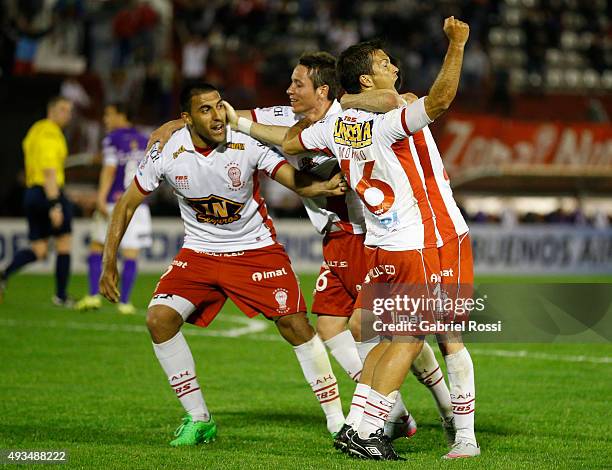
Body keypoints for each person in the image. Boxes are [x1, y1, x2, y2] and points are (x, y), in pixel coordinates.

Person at [149, 51, 453, 442]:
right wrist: (179, 121)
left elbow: (394, 100)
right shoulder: (282, 117)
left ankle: (433, 409)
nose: (289, 90)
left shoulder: (348, 117)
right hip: (334, 237)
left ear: (322, 90)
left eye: (298, 84)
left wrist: (355, 101)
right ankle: (393, 413)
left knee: (380, 327)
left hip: (369, 233)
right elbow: (221, 114)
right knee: (328, 324)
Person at [99, 82, 349, 447]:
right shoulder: (167, 151)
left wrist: (324, 187)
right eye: (205, 110)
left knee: (295, 325)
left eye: (219, 106)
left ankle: (337, 421)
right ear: (186, 119)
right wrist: (109, 263)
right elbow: (126, 203)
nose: (217, 116)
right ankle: (199, 419)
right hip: (199, 253)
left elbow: (293, 180)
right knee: (159, 319)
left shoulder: (245, 141)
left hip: (255, 250)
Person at [282, 17, 474, 460]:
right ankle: (381, 430)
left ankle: (356, 426)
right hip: (422, 242)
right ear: (367, 78)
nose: (395, 67)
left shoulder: (337, 127)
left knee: (385, 338)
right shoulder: (389, 123)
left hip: (384, 243)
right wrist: (458, 46)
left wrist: (245, 125)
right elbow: (441, 99)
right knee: (413, 340)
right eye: (386, 63)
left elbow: (293, 143)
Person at [76, 103, 152, 315]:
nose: (105, 119)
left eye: (108, 115)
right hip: (138, 204)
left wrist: (100, 197)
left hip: (113, 201)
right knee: (131, 252)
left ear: (121, 115)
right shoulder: (145, 140)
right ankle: (124, 302)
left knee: (97, 246)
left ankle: (93, 296)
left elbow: (109, 171)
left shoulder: (112, 139)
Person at [0, 96, 74, 306]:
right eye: (63, 109)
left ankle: (4, 273)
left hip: (31, 193)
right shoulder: (51, 134)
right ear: (51, 110)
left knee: (39, 250)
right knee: (64, 242)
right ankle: (60, 296)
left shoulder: (35, 130)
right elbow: (49, 172)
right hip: (47, 192)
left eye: (69, 111)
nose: (67, 114)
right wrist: (55, 204)